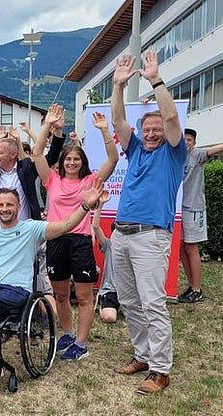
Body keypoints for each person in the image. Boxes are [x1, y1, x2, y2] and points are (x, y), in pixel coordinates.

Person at [0, 161, 104, 380]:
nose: (4, 209)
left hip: (16, 291)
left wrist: (85, 206)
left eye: (9, 205)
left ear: (18, 207)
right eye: (0, 205)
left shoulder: (31, 228)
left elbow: (66, 224)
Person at [110, 50, 185, 395]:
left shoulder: (173, 152)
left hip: (151, 237)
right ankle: (143, 355)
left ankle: (160, 369)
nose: (153, 133)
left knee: (152, 301)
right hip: (122, 235)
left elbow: (171, 119)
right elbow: (118, 121)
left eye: (157, 129)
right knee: (128, 301)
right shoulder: (136, 148)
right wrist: (117, 86)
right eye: (148, 129)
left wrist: (155, 80)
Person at [32, 105, 119, 361]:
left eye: (76, 159)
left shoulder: (90, 181)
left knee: (83, 296)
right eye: (68, 159)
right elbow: (37, 153)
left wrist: (105, 131)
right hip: (56, 238)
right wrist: (47, 126)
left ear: (82, 162)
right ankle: (67, 334)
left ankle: (81, 344)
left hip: (80, 241)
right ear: (62, 162)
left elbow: (113, 160)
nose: (71, 162)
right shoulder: (52, 180)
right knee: (60, 294)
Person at [179, 128, 223, 303]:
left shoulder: (197, 155)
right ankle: (191, 286)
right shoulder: (176, 156)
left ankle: (197, 290)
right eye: (184, 139)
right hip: (178, 209)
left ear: (194, 143)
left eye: (189, 140)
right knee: (181, 248)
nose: (186, 142)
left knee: (192, 247)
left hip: (193, 208)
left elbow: (216, 149)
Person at [93, 194, 119, 324]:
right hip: (111, 290)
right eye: (116, 230)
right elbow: (95, 227)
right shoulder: (109, 245)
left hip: (130, 291)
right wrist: (101, 205)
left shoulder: (135, 247)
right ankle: (103, 301)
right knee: (110, 317)